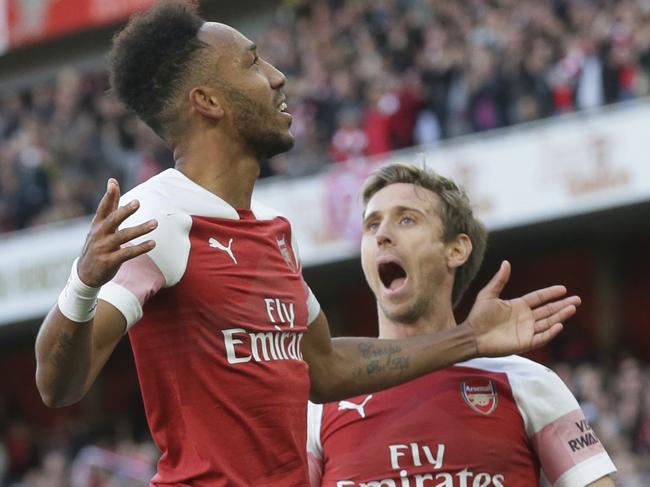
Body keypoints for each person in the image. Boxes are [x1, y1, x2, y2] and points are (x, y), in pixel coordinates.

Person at [34, 2, 580, 485]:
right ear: (209, 102)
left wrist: (470, 340)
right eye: (251, 63)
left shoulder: (274, 232)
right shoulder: (160, 217)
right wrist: (83, 284)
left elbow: (326, 368)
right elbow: (60, 385)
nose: (276, 77)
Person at [307, 164, 616, 487]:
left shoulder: (528, 381)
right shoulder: (319, 405)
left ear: (456, 249)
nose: (382, 234)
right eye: (371, 225)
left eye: (407, 219)